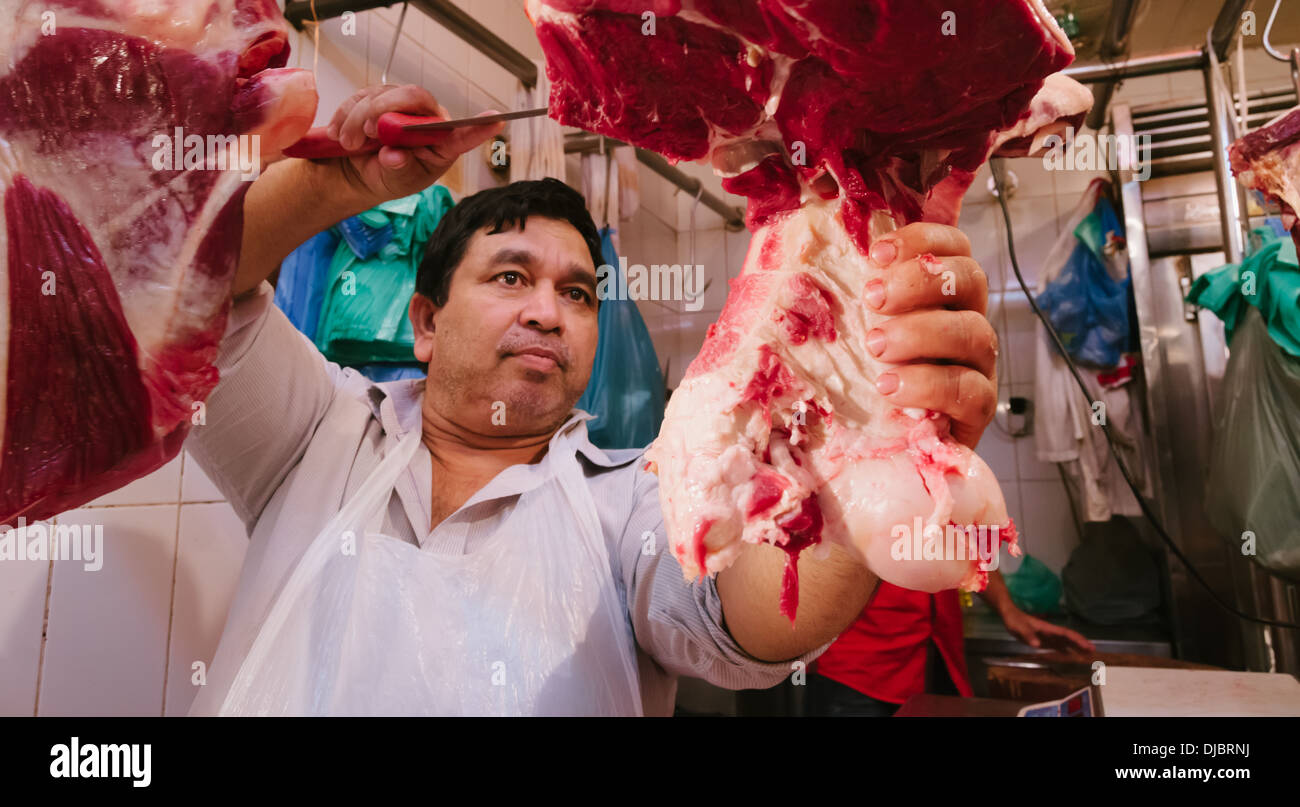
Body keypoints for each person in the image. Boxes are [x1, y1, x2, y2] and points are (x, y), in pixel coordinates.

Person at [185, 83, 1003, 716]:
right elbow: (190, 300)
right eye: (511, 277)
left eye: (577, 293)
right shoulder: (316, 433)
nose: (549, 310)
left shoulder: (627, 505)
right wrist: (337, 183)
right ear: (426, 322)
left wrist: (867, 457)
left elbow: (753, 617)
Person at [809, 572, 1097, 717]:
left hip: (939, 656)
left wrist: (1008, 609)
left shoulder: (949, 467)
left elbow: (969, 542)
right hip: (856, 670)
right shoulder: (846, 463)